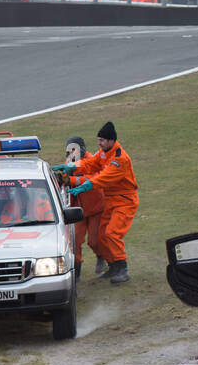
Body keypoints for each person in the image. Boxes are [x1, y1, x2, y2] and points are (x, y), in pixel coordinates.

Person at [56, 120, 138, 284]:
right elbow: (91, 163)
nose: (98, 144)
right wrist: (73, 166)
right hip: (110, 200)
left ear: (111, 140)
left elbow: (103, 177)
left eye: (101, 140)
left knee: (112, 233)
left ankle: (122, 268)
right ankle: (113, 266)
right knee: (101, 237)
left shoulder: (119, 159)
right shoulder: (103, 153)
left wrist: (82, 185)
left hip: (124, 201)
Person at [62, 135, 106, 277]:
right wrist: (62, 178)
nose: (71, 154)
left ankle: (101, 257)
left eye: (74, 150)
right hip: (77, 210)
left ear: (81, 149)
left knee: (94, 241)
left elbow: (91, 179)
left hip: (95, 208)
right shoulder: (70, 162)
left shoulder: (92, 160)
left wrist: (70, 180)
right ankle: (77, 271)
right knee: (75, 242)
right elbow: (65, 179)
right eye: (69, 151)